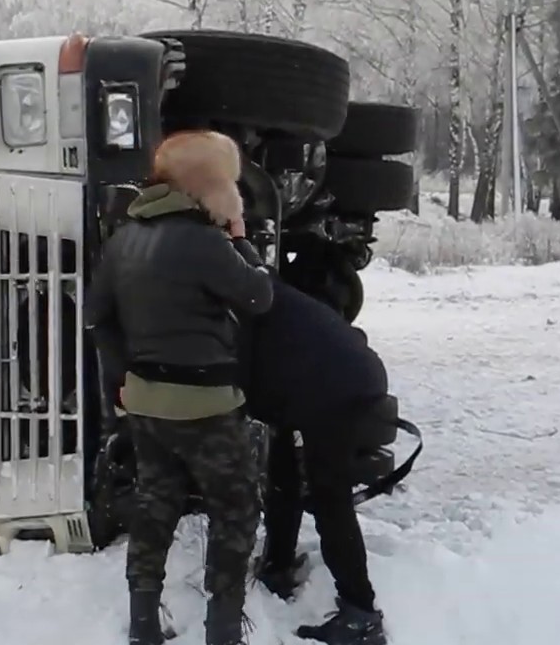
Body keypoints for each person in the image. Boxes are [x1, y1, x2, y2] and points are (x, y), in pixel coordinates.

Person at [84, 129, 274, 645]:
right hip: (207, 406)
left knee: (155, 504)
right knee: (234, 511)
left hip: (147, 403)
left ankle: (144, 622)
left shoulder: (124, 240)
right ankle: (223, 629)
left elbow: (98, 318)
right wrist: (242, 241)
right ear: (210, 186)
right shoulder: (205, 242)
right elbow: (258, 297)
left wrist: (123, 378)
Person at [238, 267, 391, 645]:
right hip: (332, 377)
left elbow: (241, 381)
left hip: (338, 388)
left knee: (329, 496)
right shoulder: (254, 284)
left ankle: (361, 613)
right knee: (283, 471)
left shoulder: (240, 304)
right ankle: (278, 565)